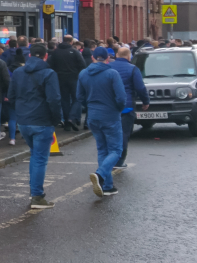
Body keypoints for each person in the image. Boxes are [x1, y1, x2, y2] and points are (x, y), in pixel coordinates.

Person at [10, 43, 64, 209]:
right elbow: (54, 99)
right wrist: (57, 119)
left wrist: (20, 113)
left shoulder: (18, 72)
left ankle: (35, 192)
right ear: (45, 56)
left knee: (35, 156)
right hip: (42, 120)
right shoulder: (49, 73)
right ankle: (37, 196)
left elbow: (11, 95)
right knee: (40, 159)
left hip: (24, 121)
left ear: (30, 55)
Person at [78, 47, 126, 197]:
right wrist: (118, 109)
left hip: (93, 115)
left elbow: (79, 96)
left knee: (102, 149)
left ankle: (107, 185)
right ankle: (100, 175)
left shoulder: (83, 73)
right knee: (116, 150)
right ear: (107, 58)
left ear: (92, 57)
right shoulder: (112, 73)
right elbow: (121, 98)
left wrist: (90, 106)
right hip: (110, 115)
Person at [109, 46, 148, 167]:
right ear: (128, 56)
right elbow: (140, 88)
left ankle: (108, 158)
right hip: (127, 106)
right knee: (123, 134)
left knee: (110, 133)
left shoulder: (108, 68)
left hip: (110, 107)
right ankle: (119, 160)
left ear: (116, 55)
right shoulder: (133, 69)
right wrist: (145, 101)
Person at [48, 37, 86, 130]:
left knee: (64, 100)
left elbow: (50, 66)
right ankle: (72, 118)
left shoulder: (55, 53)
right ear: (71, 42)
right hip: (74, 78)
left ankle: (67, 122)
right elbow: (83, 65)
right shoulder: (74, 52)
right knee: (77, 98)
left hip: (60, 79)